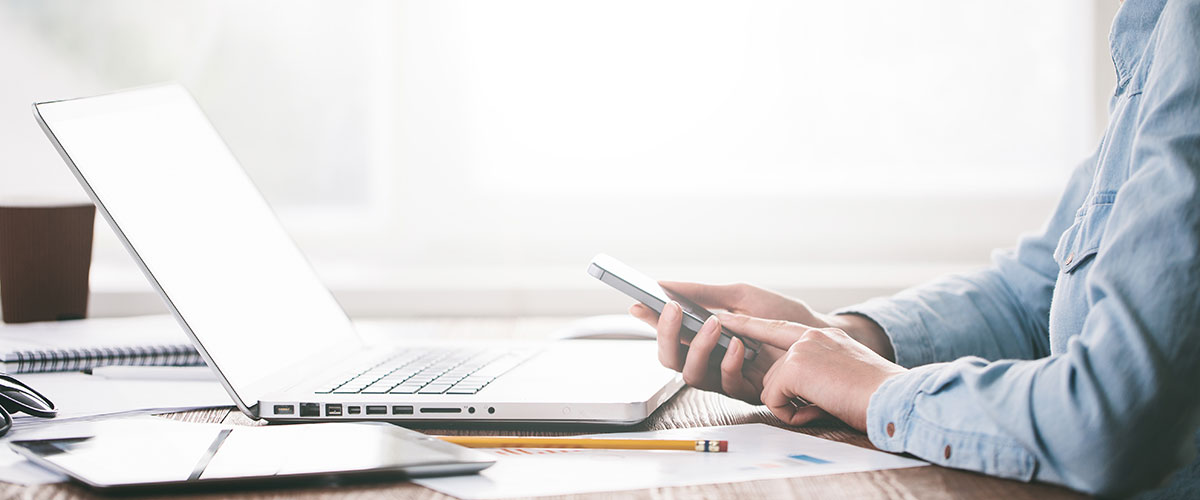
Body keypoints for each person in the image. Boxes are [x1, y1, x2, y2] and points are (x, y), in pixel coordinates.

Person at [630, 0, 1200, 496]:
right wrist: (841, 341)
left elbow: (1114, 420)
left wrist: (879, 391)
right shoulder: (1156, 27)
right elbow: (1034, 292)